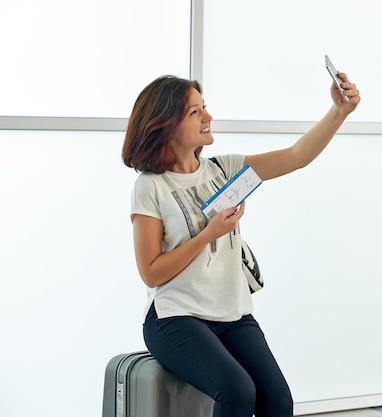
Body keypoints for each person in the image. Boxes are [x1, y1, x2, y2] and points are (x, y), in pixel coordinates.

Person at [121, 70, 360, 417]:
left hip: (232, 312)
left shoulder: (224, 170)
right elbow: (151, 273)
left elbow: (296, 156)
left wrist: (339, 112)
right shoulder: (151, 187)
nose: (208, 117)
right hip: (174, 317)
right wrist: (207, 234)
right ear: (167, 125)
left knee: (278, 401)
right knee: (237, 392)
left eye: (205, 108)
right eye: (195, 112)